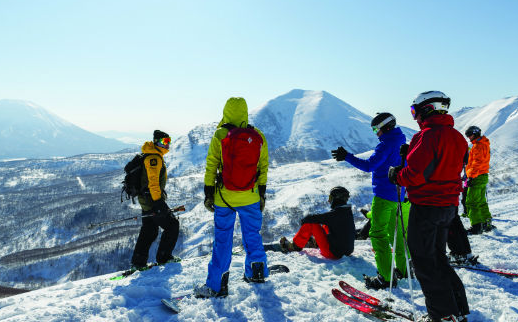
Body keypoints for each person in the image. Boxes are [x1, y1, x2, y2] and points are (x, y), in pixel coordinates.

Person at [388, 91, 469, 322]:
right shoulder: (457, 136)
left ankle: (442, 316)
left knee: (424, 263)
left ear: (427, 109)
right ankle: (456, 310)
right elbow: (445, 164)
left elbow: (415, 175)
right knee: (438, 258)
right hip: (448, 207)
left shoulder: (427, 136)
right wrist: (411, 156)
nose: (414, 117)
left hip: (426, 206)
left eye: (414, 111)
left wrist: (397, 174)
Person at [194, 97, 269, 298]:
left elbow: (211, 164)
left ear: (226, 111)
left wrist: (209, 193)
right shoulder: (258, 135)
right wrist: (261, 193)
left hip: (224, 197)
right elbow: (263, 168)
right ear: (245, 112)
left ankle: (218, 285)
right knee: (253, 236)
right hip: (251, 196)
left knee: (223, 241)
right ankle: (257, 274)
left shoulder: (220, 134)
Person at [332, 112, 410, 289]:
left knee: (378, 235)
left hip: (384, 195)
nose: (375, 132)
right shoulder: (402, 139)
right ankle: (404, 271)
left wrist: (347, 157)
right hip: (401, 195)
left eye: (376, 128)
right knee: (398, 235)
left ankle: (386, 278)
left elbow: (369, 166)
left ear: (385, 127)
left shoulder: (385, 145)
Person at [130, 130, 180, 269]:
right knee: (172, 225)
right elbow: (153, 183)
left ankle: (138, 262)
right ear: (157, 142)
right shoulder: (154, 158)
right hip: (152, 200)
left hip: (146, 200)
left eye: (169, 141)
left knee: (149, 230)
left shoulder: (152, 155)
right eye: (164, 142)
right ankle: (164, 257)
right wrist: (159, 203)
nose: (167, 144)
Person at [279, 186, 356, 259]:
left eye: (330, 198)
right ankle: (316, 242)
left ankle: (294, 247)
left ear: (337, 198)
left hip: (333, 254)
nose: (329, 201)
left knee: (311, 224)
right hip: (345, 252)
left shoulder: (336, 214)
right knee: (325, 225)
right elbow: (326, 218)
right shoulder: (346, 213)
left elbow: (312, 219)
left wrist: (305, 220)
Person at [464, 126, 493, 234]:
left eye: (469, 135)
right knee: (481, 201)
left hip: (476, 176)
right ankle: (486, 223)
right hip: (483, 175)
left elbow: (476, 163)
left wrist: (470, 176)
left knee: (471, 202)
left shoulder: (477, 146)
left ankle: (476, 226)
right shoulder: (484, 144)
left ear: (475, 134)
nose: (469, 138)